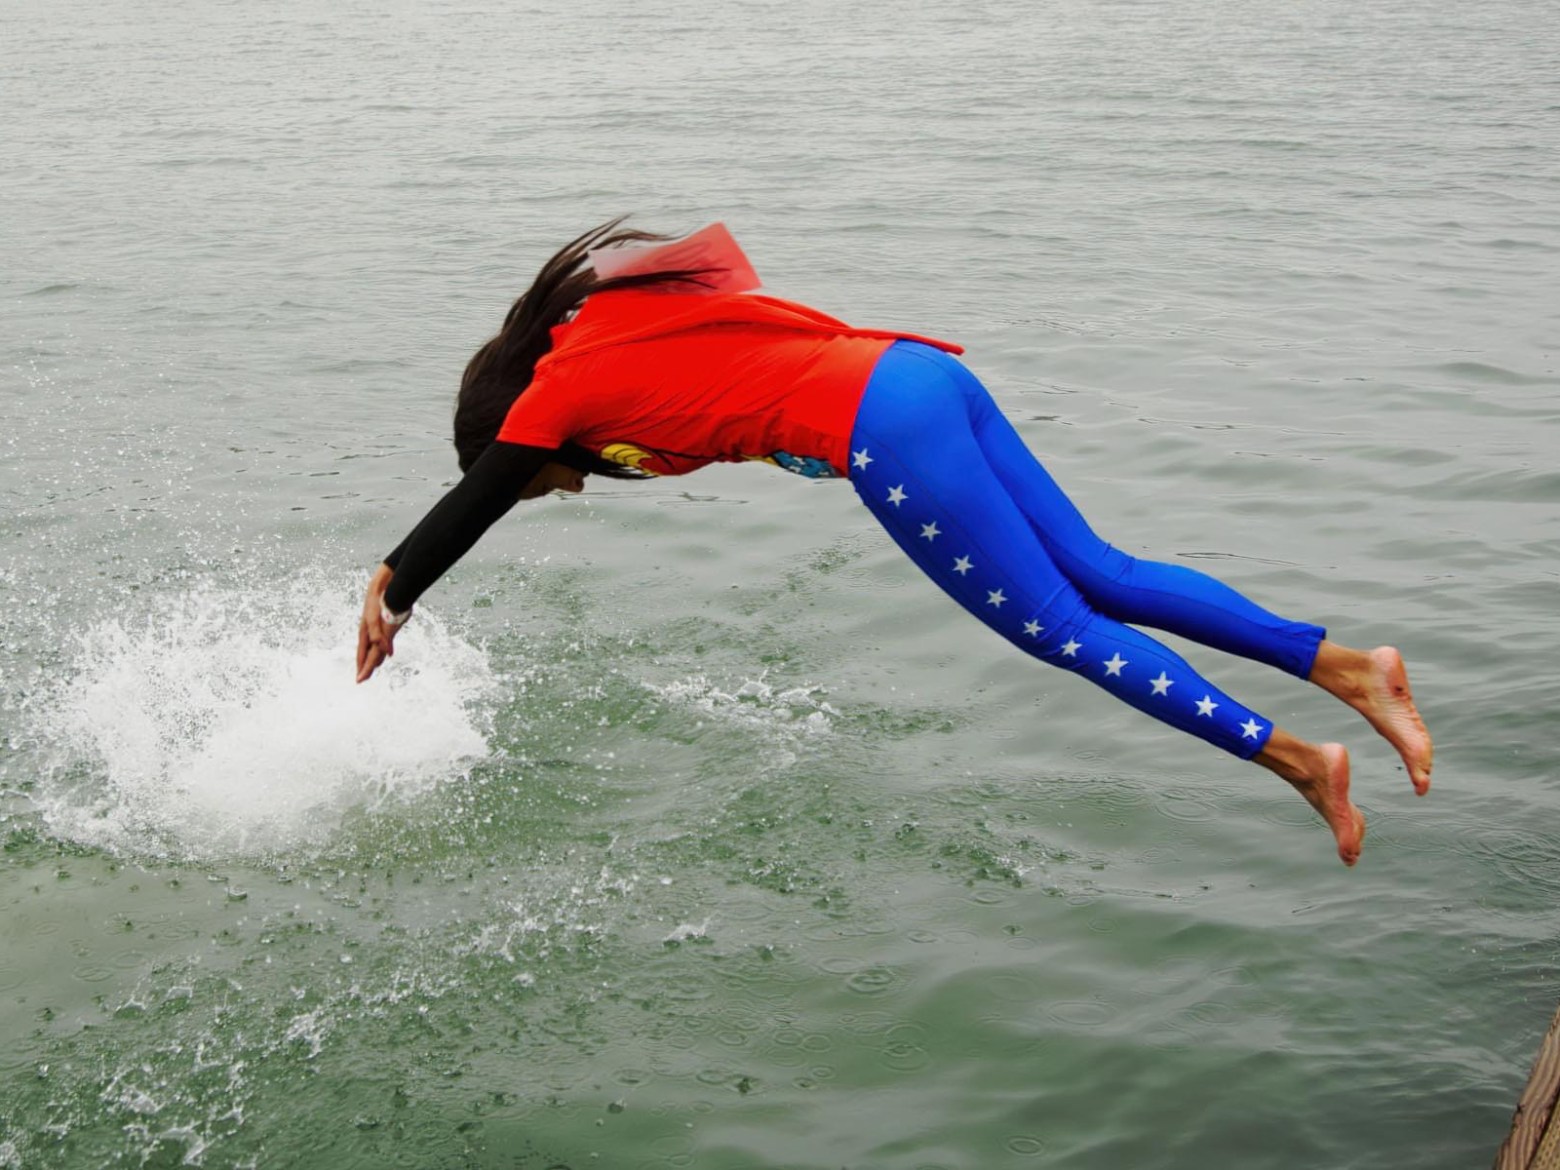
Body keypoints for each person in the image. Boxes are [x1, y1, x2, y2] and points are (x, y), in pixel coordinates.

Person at [355, 220, 1433, 867]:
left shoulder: (558, 388)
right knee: (1104, 574)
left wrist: (393, 589)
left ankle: (1297, 760)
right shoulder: (604, 343)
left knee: (1064, 630)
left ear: (517, 429)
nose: (557, 488)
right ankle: (1348, 668)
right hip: (917, 374)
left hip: (887, 428)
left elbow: (482, 497)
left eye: (543, 480)